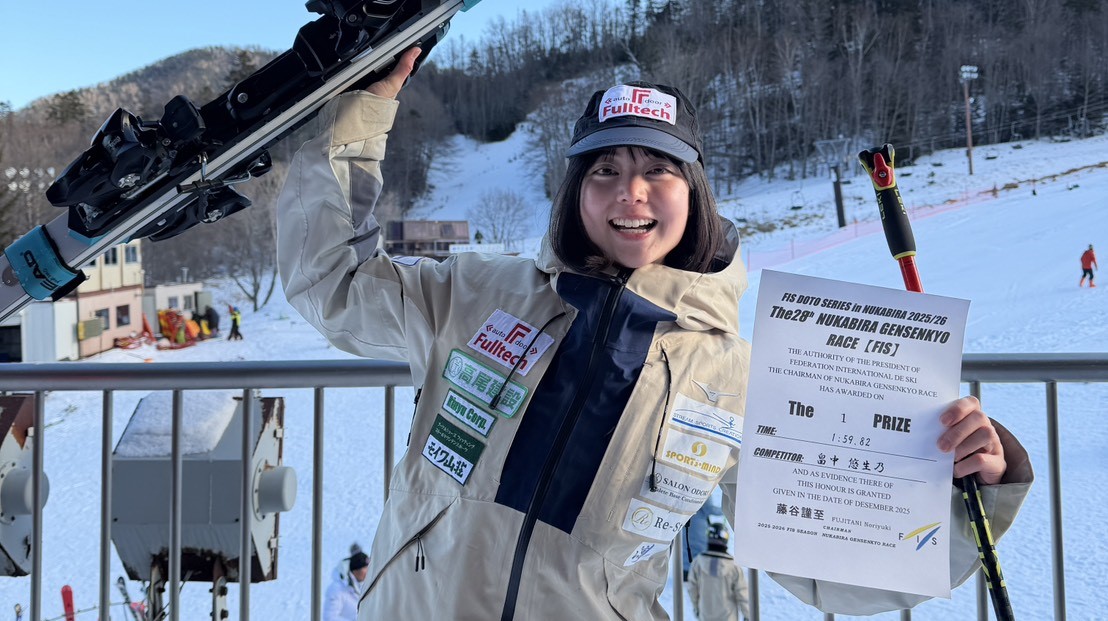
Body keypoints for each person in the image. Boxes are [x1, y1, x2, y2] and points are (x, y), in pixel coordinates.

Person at [276, 47, 1033, 620]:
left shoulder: (740, 376)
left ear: (693, 191)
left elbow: (828, 571)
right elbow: (331, 282)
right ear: (575, 192)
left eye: (658, 170)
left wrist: (965, 491)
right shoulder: (475, 292)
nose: (629, 192)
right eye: (603, 169)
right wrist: (358, 116)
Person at [688, 523, 750, 621]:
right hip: (728, 617)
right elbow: (742, 593)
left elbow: (692, 589)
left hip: (705, 615)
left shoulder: (698, 562)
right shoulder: (734, 567)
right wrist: (748, 615)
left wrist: (697, 608)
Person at [324, 549, 369, 621]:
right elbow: (329, 618)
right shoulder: (337, 590)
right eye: (365, 568)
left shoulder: (363, 586)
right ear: (356, 571)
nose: (368, 571)